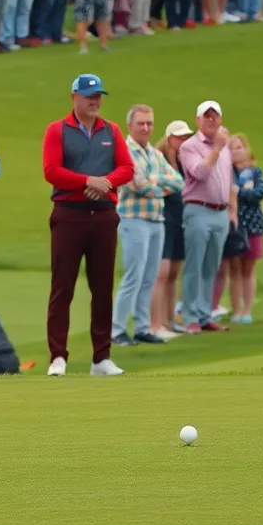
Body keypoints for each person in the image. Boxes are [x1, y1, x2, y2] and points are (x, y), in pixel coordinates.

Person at [42, 73, 135, 377]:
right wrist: (87, 181)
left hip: (104, 215)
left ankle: (101, 357)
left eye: (97, 96)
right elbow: (52, 170)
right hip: (69, 214)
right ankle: (58, 356)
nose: (94, 101)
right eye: (88, 96)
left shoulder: (112, 130)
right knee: (63, 287)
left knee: (102, 287)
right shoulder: (57, 130)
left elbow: (127, 168)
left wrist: (105, 182)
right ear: (74, 98)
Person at [112, 104, 185, 346]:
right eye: (141, 123)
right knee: (133, 275)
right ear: (130, 126)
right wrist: (156, 185)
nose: (146, 127)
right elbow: (138, 184)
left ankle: (142, 327)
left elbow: (177, 181)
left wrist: (154, 183)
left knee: (149, 276)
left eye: (149, 123)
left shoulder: (154, 153)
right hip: (133, 219)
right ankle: (117, 330)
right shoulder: (124, 151)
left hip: (156, 219)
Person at [178, 100, 235, 335]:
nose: (211, 120)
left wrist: (232, 210)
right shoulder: (189, 146)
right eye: (206, 116)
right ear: (198, 120)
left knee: (212, 266)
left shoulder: (225, 147)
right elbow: (199, 172)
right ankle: (190, 316)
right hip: (198, 209)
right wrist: (216, 149)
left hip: (220, 212)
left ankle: (204, 315)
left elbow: (228, 180)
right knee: (194, 265)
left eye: (215, 116)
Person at [150, 120, 193, 339]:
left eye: (186, 137)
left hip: (179, 220)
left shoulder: (185, 161)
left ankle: (169, 322)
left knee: (173, 273)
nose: (183, 140)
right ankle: (155, 324)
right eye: (179, 137)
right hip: (163, 217)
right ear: (169, 138)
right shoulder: (159, 158)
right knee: (161, 273)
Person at [227, 134, 263, 323]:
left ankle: (247, 310)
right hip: (234, 224)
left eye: (239, 147)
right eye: (232, 148)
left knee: (248, 268)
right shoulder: (226, 172)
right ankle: (236, 309)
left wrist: (239, 192)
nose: (236, 151)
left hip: (253, 223)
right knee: (234, 268)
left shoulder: (255, 172)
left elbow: (259, 193)